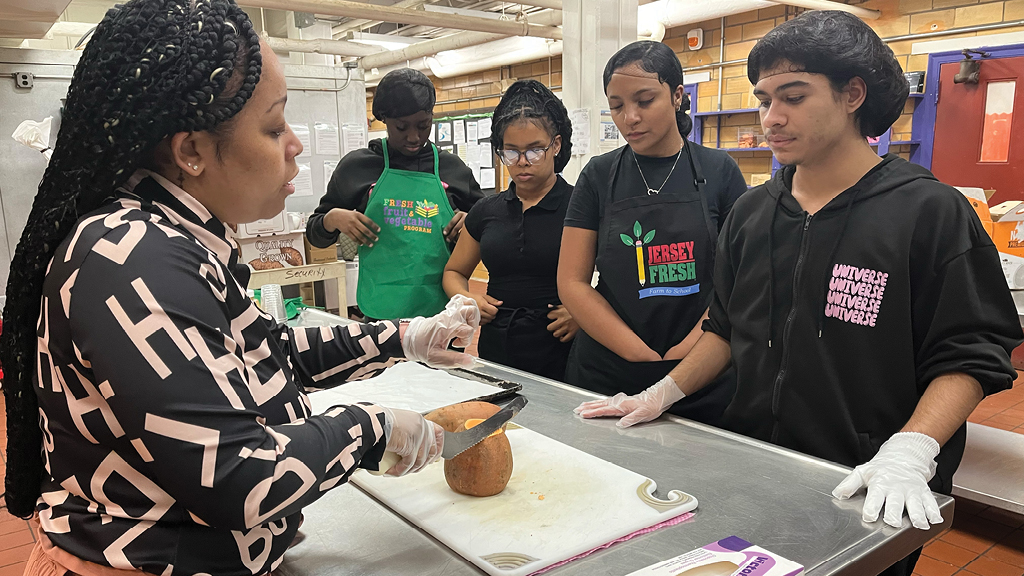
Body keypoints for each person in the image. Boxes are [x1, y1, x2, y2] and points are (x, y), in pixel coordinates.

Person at [0, 2, 481, 574]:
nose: (295, 145)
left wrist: (405, 338)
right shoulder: (131, 258)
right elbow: (236, 476)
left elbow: (262, 356)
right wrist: (370, 429)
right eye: (274, 126)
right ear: (192, 151)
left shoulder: (175, 237)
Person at [576, 11, 1023, 576]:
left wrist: (912, 449)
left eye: (793, 97)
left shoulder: (928, 212)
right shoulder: (753, 213)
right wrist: (661, 393)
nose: (771, 118)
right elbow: (726, 329)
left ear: (852, 94)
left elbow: (973, 351)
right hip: (757, 470)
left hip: (872, 484)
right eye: (764, 99)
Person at [558, 41, 747, 425]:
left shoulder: (720, 171)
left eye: (644, 101)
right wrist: (635, 350)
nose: (629, 117)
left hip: (700, 376)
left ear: (677, 96)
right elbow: (572, 281)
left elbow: (740, 281)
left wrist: (694, 343)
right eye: (616, 106)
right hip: (609, 373)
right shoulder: (597, 176)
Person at [306, 68, 484, 320]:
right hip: (380, 313)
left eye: (423, 126)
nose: (414, 137)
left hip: (443, 314)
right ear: (384, 119)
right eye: (401, 127)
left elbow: (492, 226)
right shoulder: (357, 168)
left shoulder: (453, 169)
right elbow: (316, 236)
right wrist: (332, 219)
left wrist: (472, 221)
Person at [444, 80, 578, 381]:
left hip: (562, 348)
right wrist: (468, 299)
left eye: (534, 151)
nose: (521, 163)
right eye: (511, 152)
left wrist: (582, 315)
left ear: (555, 145)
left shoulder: (579, 206)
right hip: (497, 347)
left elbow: (615, 278)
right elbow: (453, 272)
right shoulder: (486, 211)